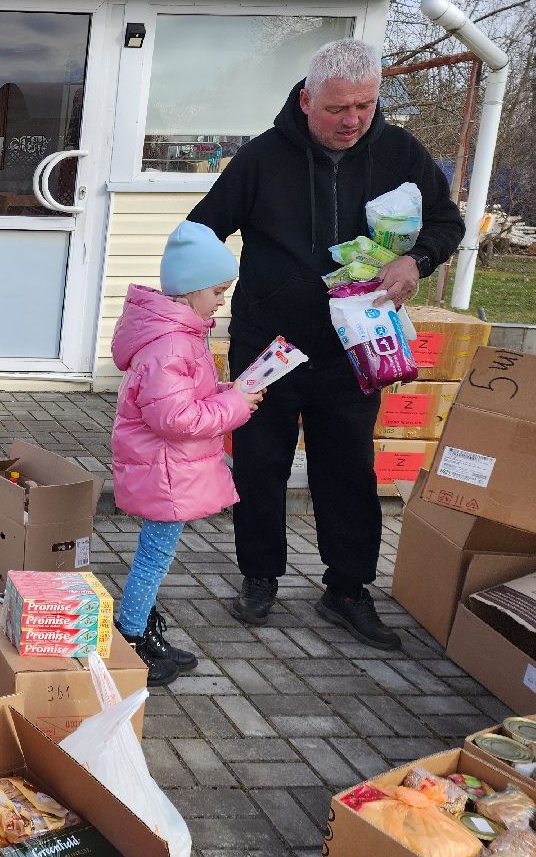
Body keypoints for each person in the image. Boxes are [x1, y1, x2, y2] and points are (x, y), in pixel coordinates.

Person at [187, 38, 464, 650]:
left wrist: (417, 261)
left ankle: (348, 589)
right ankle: (259, 577)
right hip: (271, 342)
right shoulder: (262, 158)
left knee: (347, 470)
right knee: (260, 465)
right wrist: (199, 298)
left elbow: (448, 222)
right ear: (308, 100)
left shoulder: (400, 153)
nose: (353, 120)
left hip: (356, 348)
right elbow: (203, 229)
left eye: (365, 106)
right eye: (339, 108)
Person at [110, 221, 262, 685]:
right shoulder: (174, 342)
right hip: (165, 469)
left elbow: (181, 397)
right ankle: (131, 634)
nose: (221, 300)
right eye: (218, 290)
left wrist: (222, 390)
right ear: (191, 289)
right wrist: (234, 404)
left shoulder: (179, 335)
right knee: (153, 556)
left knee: (155, 554)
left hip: (167, 467)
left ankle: (141, 626)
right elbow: (175, 419)